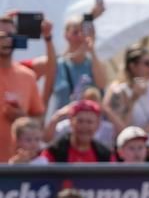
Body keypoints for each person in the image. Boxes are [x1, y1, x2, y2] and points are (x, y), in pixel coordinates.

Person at [33, 14, 108, 119]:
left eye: (84, 32)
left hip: (91, 127)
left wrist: (92, 51)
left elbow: (101, 85)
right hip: (63, 127)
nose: (81, 37)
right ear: (66, 35)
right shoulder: (57, 65)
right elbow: (45, 99)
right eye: (76, 32)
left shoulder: (96, 64)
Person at [0, 13, 48, 162]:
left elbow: (38, 117)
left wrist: (23, 118)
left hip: (19, 168)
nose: (6, 40)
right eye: (1, 35)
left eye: (10, 35)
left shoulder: (27, 76)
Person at [103, 46, 149, 134]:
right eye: (147, 63)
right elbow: (122, 127)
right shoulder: (119, 91)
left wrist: (140, 135)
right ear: (132, 66)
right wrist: (133, 99)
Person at [42, 99, 115, 163]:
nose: (84, 126)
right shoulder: (55, 151)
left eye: (89, 122)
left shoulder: (105, 156)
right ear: (71, 122)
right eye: (80, 121)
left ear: (98, 125)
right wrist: (57, 115)